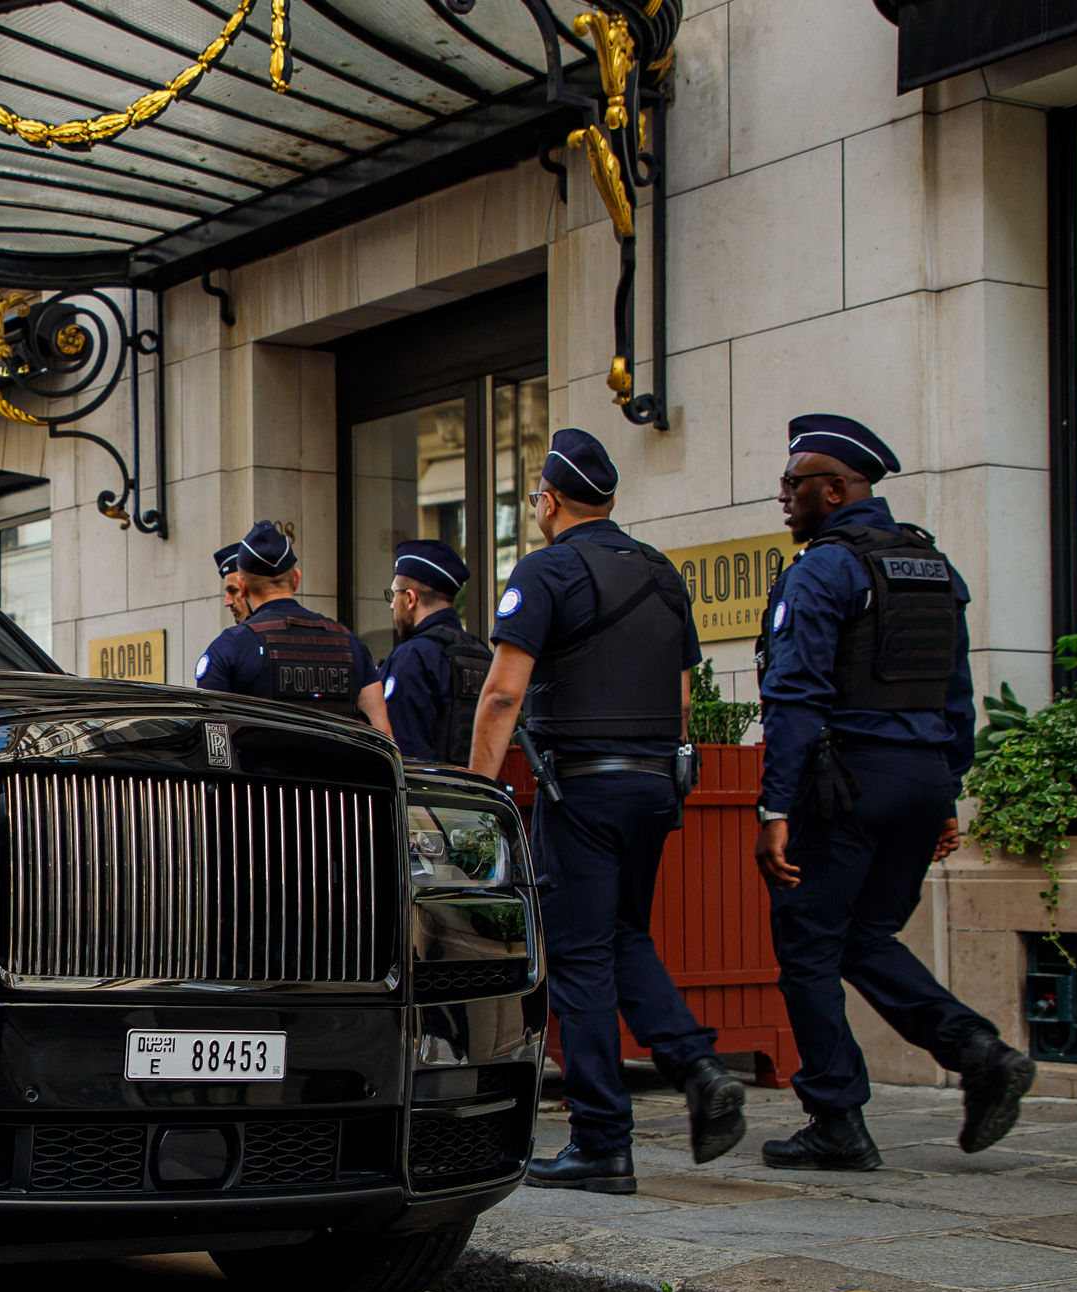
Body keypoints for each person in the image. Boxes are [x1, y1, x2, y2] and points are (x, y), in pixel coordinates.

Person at [465, 427, 746, 1192]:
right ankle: (696, 1066)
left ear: (549, 502)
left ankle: (600, 1141)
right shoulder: (662, 573)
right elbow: (686, 696)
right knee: (623, 934)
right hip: (656, 783)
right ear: (611, 501)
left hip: (582, 787)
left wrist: (476, 798)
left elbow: (500, 694)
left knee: (581, 955)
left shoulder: (548, 569)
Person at [752, 414, 1033, 1170]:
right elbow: (956, 697)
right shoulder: (933, 566)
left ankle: (837, 1119)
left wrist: (775, 808)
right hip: (919, 781)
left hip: (847, 786)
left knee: (807, 947)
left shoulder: (824, 569)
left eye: (794, 484)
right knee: (864, 938)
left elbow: (797, 696)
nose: (783, 497)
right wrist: (946, 795)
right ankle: (977, 1050)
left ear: (836, 488)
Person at [194, 522, 384, 725]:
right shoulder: (350, 643)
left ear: (243, 586)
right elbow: (383, 734)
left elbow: (212, 738)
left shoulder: (229, 647)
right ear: (296, 580)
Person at [377, 539, 493, 764]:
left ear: (410, 598)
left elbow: (403, 754)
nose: (391, 605)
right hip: (478, 796)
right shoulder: (480, 654)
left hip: (430, 796)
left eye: (394, 595)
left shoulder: (412, 657)